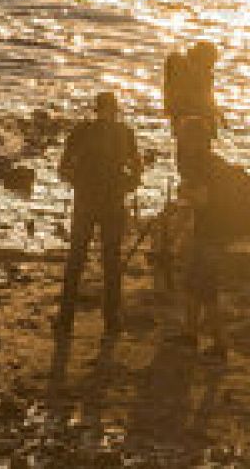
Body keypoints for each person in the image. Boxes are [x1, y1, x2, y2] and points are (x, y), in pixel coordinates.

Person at [55, 91, 144, 338]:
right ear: (114, 110)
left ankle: (65, 320)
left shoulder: (82, 131)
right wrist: (128, 184)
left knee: (76, 260)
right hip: (112, 202)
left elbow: (63, 168)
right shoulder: (124, 133)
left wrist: (78, 183)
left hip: (87, 201)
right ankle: (111, 320)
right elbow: (137, 168)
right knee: (111, 261)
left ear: (96, 109)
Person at [176, 118, 232, 360]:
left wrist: (184, 193)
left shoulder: (201, 165)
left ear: (195, 140)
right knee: (192, 283)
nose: (181, 143)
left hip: (211, 233)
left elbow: (203, 200)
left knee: (207, 290)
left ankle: (220, 344)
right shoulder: (214, 163)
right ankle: (189, 333)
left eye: (184, 138)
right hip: (212, 231)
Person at [162, 42, 223, 185]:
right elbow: (195, 98)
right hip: (190, 125)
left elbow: (207, 97)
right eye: (211, 62)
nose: (212, 66)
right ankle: (191, 188)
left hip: (197, 124)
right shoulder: (182, 68)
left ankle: (193, 186)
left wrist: (217, 112)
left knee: (195, 162)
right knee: (189, 161)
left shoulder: (203, 73)